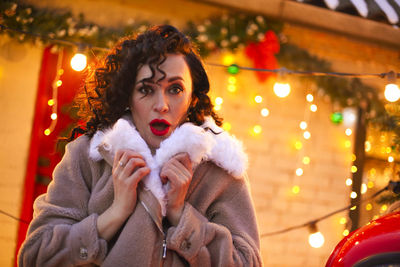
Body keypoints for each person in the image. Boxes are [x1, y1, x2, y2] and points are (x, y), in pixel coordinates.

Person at [18, 25, 262, 266]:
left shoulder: (220, 170)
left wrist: (181, 214)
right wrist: (115, 213)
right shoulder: (88, 156)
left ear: (193, 97)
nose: (162, 105)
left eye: (175, 89)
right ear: (128, 96)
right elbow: (36, 255)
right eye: (146, 89)